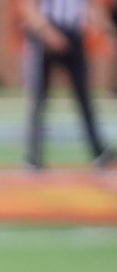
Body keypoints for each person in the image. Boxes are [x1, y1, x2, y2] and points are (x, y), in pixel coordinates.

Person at [19, 0, 114, 169]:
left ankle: (98, 151)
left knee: (84, 97)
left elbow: (90, 8)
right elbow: (28, 7)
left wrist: (106, 31)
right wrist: (47, 33)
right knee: (38, 98)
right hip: (45, 36)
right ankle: (33, 156)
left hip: (73, 35)